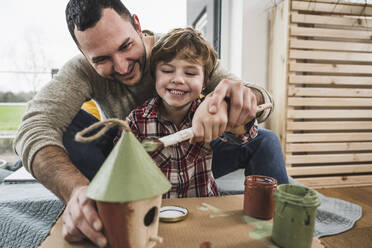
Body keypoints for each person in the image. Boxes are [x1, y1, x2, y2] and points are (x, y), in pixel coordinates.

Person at [13, 0, 288, 247]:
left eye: (125, 46)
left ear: (137, 25)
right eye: (102, 59)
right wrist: (74, 189)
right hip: (124, 159)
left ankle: (290, 219)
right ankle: (101, 199)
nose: (121, 66)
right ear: (85, 56)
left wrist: (229, 101)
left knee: (265, 141)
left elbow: (259, 99)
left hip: (191, 153)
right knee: (69, 124)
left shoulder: (179, 50)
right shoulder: (81, 71)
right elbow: (33, 128)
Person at [123, 27, 259, 198]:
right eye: (167, 71)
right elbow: (121, 169)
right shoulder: (136, 120)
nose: (178, 79)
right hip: (159, 210)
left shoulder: (211, 112)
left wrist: (232, 118)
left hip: (204, 207)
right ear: (155, 77)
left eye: (190, 73)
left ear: (204, 83)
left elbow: (245, 136)